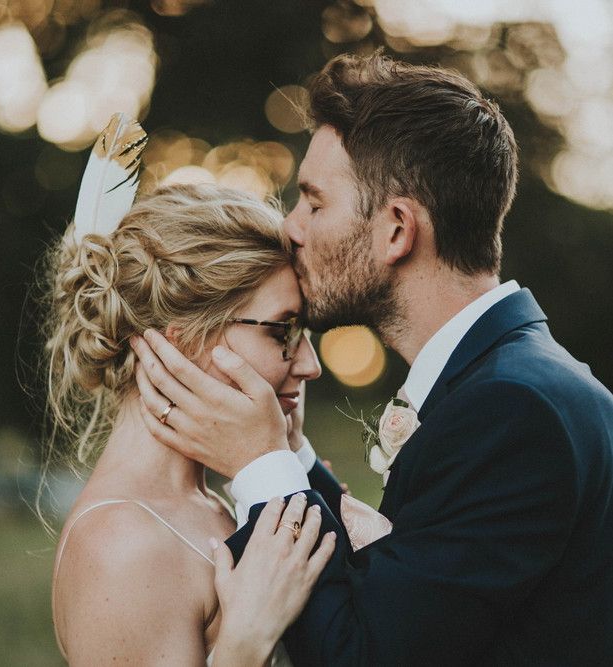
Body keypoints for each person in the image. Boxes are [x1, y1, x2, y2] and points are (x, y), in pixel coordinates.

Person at [131, 53, 613, 665]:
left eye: (313, 202)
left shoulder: (513, 411)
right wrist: (291, 455)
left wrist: (258, 463)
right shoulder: (516, 383)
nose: (291, 227)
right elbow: (418, 599)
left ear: (396, 230)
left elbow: (362, 652)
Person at [42, 181, 335, 665]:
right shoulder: (121, 545)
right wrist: (244, 646)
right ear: (180, 343)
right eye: (283, 330)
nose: (309, 365)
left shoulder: (210, 506)